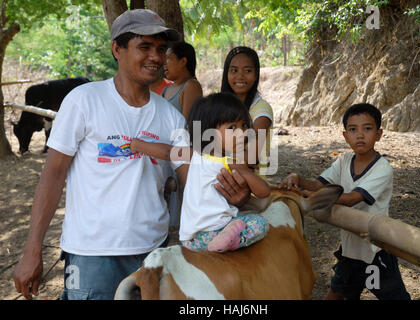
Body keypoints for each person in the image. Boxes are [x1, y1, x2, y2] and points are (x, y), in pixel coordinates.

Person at [12, 9, 249, 301]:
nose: (156, 57)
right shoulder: (84, 101)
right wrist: (32, 249)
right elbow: (53, 175)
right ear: (117, 49)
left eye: (161, 49)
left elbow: (194, 178)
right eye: (144, 47)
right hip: (92, 256)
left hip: (154, 253)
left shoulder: (170, 118)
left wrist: (232, 195)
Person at [279, 103, 411, 300]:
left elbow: (351, 199)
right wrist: (298, 179)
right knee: (337, 292)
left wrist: (314, 197)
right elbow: (317, 185)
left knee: (394, 297)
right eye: (353, 129)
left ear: (379, 134)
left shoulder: (382, 168)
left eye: (367, 129)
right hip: (350, 249)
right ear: (345, 136)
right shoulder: (343, 161)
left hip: (375, 249)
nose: (360, 135)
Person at [130, 93, 271, 252]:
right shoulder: (232, 164)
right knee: (261, 223)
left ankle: (225, 237)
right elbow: (264, 192)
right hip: (216, 230)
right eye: (232, 127)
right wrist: (246, 171)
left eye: (245, 125)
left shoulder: (194, 155)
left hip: (190, 238)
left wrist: (139, 146)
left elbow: (167, 151)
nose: (242, 133)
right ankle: (228, 240)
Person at [221, 46, 273, 175]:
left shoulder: (261, 110)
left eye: (247, 71)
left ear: (256, 75)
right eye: (234, 70)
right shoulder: (219, 106)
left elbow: (251, 157)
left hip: (250, 186)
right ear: (227, 73)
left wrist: (212, 161)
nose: (240, 76)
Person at [162, 41, 203, 119]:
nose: (164, 63)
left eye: (168, 58)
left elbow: (193, 126)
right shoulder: (166, 90)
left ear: (183, 61)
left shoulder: (192, 86)